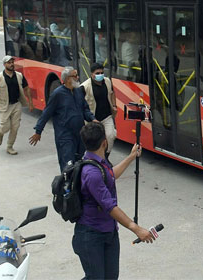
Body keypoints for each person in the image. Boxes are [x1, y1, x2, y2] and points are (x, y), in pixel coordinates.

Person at [72, 122, 155, 279]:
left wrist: (131, 157)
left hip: (108, 232)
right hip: (91, 235)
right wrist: (136, 229)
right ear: (105, 142)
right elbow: (109, 206)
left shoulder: (99, 162)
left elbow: (110, 175)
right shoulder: (91, 172)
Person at [29, 67, 95, 171]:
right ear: (68, 79)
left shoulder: (78, 91)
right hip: (65, 136)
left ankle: (76, 186)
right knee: (67, 165)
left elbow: (85, 109)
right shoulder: (57, 94)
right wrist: (38, 131)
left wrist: (93, 119)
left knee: (80, 164)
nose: (78, 78)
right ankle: (66, 185)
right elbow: (46, 113)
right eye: (75, 76)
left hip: (80, 134)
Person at [0, 55, 33, 155]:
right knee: (5, 127)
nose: (11, 64)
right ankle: (0, 133)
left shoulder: (19, 75)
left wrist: (30, 102)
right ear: (4, 65)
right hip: (4, 106)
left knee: (15, 127)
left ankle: (10, 146)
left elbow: (26, 88)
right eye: (9, 63)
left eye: (12, 62)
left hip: (16, 104)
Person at [81, 62, 117, 152]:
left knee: (110, 136)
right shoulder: (85, 86)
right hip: (93, 119)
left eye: (101, 73)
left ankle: (105, 157)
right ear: (92, 74)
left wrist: (114, 106)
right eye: (97, 73)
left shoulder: (107, 81)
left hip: (106, 116)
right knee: (94, 142)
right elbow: (80, 103)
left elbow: (112, 93)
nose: (100, 75)